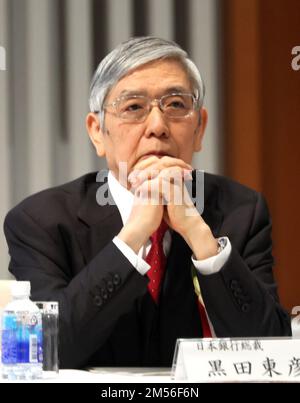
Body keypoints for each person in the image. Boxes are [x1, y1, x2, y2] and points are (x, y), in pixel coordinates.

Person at [4, 37, 291, 369]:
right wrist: (134, 235)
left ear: (199, 128)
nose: (158, 127)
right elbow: (47, 350)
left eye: (176, 105)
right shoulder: (41, 220)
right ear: (97, 132)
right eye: (133, 107)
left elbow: (272, 351)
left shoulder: (241, 210)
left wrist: (201, 237)